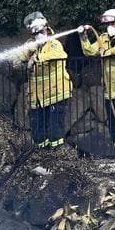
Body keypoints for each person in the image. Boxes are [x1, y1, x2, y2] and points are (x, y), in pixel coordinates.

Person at [79, 8, 115, 148]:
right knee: (112, 120)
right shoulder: (103, 38)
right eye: (107, 24)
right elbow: (89, 51)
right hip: (109, 89)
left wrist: (105, 52)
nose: (109, 27)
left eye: (111, 23)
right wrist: (84, 36)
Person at [17, 11, 72, 148]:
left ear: (47, 29)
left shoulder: (54, 44)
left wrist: (35, 59)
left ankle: (58, 158)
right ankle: (43, 157)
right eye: (36, 33)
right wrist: (17, 60)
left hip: (56, 94)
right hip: (38, 98)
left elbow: (59, 54)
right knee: (38, 131)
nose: (39, 35)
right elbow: (17, 54)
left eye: (41, 31)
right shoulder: (31, 45)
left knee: (55, 131)